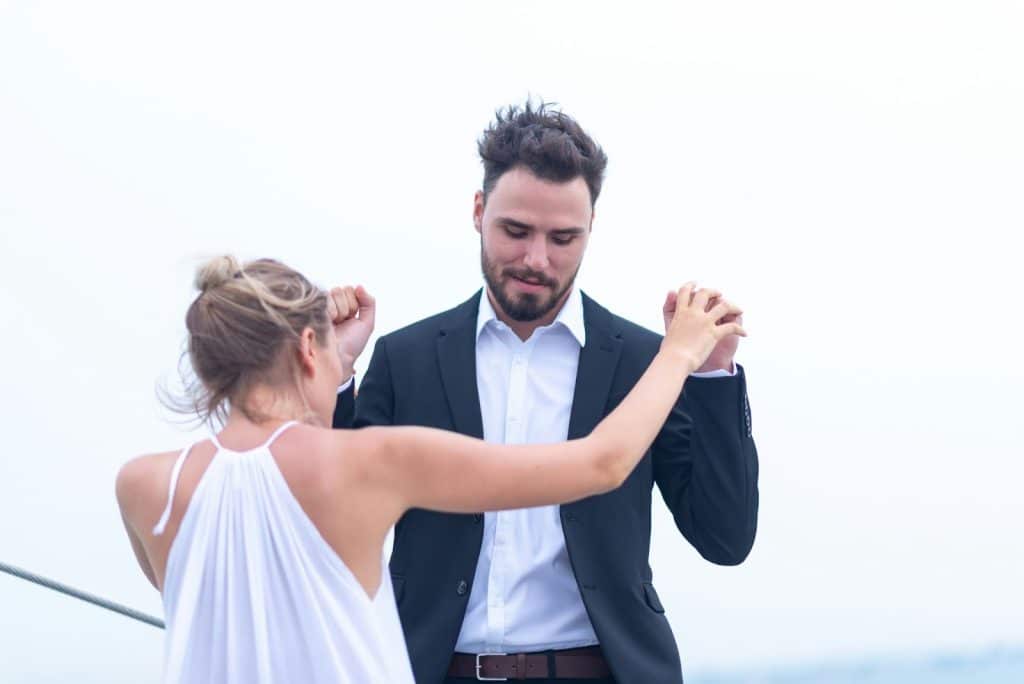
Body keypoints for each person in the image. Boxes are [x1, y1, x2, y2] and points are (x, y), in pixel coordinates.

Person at [114, 255, 744, 684]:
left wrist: (335, 370)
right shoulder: (373, 463)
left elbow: (256, 579)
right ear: (308, 347)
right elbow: (602, 462)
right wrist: (679, 354)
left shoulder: (142, 486)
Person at [332, 101, 760, 683]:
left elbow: (725, 538)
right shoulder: (405, 359)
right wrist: (334, 375)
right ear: (478, 211)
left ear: (591, 229)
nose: (537, 259)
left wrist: (709, 376)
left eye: (563, 238)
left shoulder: (645, 364)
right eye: (516, 231)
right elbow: (337, 526)